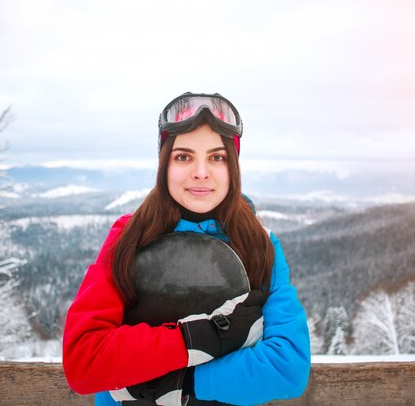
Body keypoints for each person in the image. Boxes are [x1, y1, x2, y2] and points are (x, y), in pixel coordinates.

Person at [63, 92, 311, 406]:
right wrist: (205, 336)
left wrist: (176, 383)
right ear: (164, 164)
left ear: (232, 166)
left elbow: (287, 367)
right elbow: (85, 360)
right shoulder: (128, 238)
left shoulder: (260, 244)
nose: (201, 172)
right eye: (183, 156)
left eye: (217, 157)